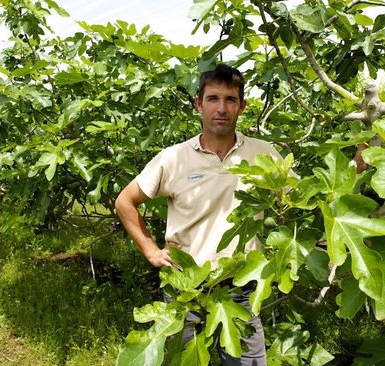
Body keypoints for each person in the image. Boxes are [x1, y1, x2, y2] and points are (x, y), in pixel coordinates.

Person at [115, 64, 282, 365]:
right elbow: (125, 202)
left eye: (230, 100)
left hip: (240, 286)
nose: (221, 108)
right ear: (198, 104)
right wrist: (150, 250)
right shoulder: (174, 158)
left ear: (242, 106)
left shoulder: (264, 154)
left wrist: (356, 167)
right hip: (185, 286)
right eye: (213, 99)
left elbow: (300, 196)